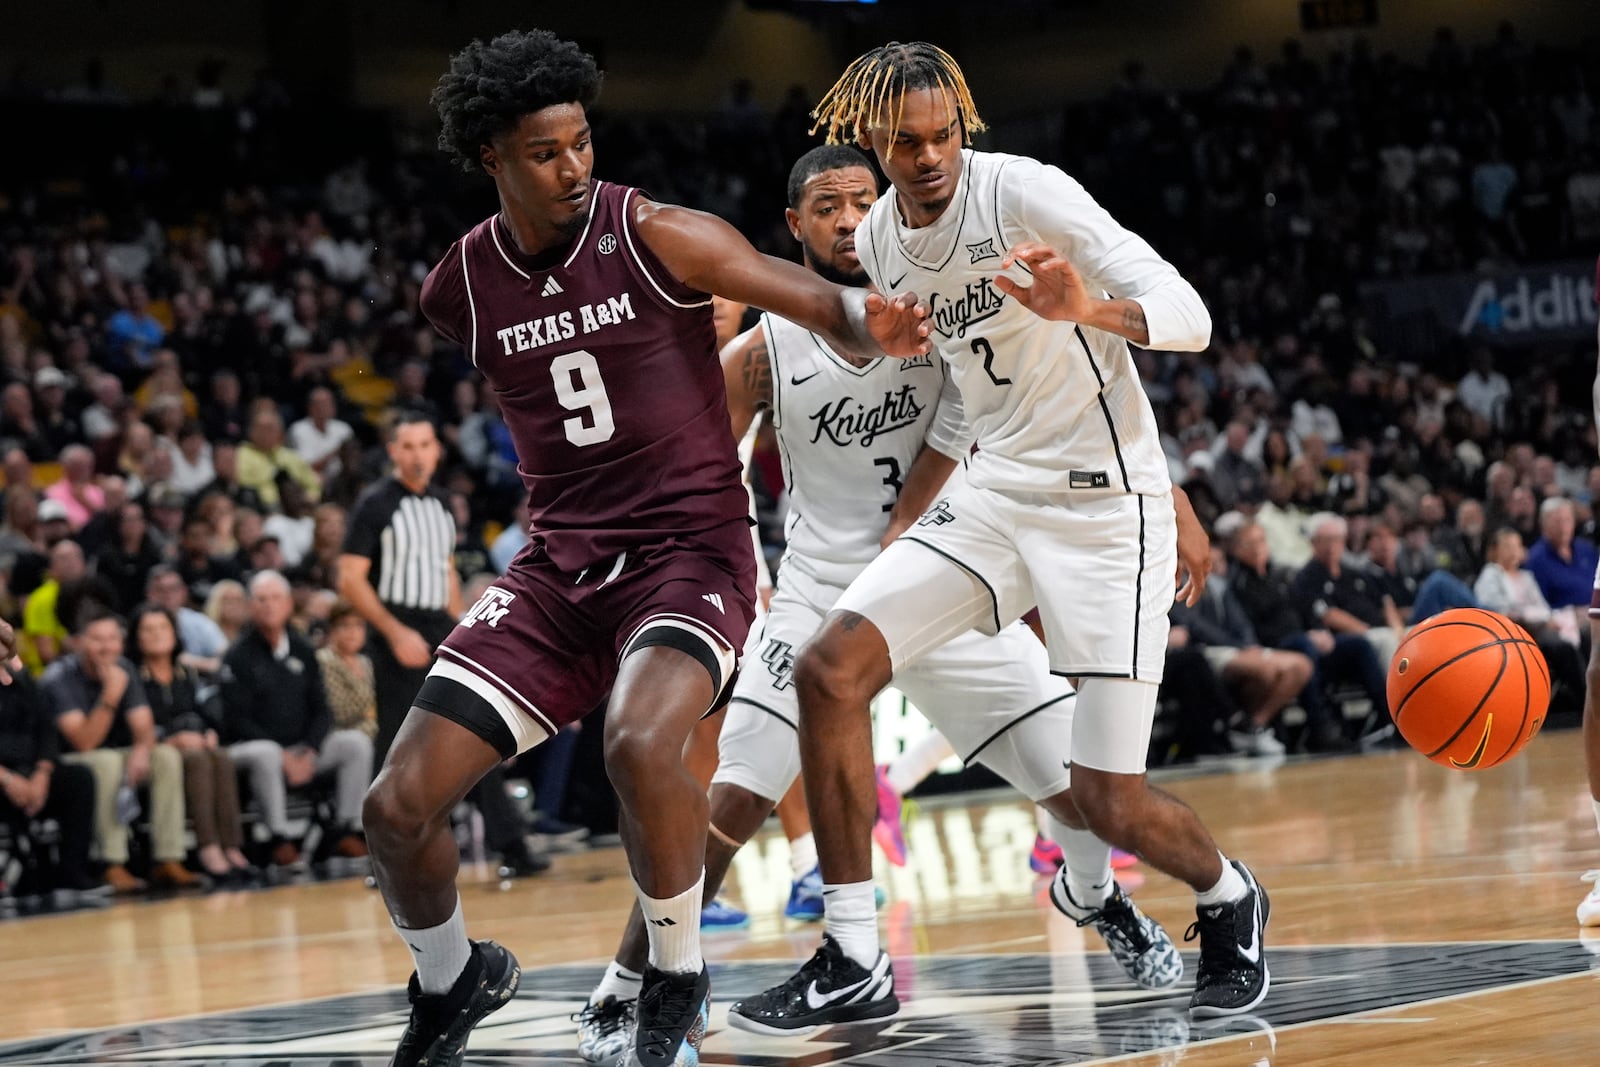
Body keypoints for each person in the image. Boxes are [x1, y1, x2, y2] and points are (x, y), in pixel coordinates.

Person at [362, 29, 929, 1067]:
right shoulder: (459, 288)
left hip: (689, 551)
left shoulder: (657, 232)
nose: (574, 166)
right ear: (492, 156)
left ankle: (672, 972)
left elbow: (804, 295)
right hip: (556, 567)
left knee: (637, 738)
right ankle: (451, 978)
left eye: (582, 142)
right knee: (394, 805)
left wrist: (870, 319)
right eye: (545, 152)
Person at [575, 145, 1183, 1062]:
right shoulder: (767, 344)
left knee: (1085, 792)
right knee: (724, 810)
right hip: (821, 595)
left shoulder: (948, 299)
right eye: (827, 205)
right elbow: (692, 467)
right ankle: (631, 990)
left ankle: (1102, 900)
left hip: (940, 580)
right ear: (796, 226)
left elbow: (1079, 394)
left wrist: (1174, 500)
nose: (849, 219)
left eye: (864, 200)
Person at [730, 43, 1268, 1033]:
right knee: (828, 666)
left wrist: (1088, 310)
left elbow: (1188, 313)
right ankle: (852, 952)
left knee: (1106, 802)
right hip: (993, 492)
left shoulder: (1027, 192)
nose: (927, 155)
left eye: (942, 136)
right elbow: (955, 387)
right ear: (874, 143)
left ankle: (1229, 893)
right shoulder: (886, 238)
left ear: (962, 129)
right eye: (905, 141)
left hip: (1106, 509)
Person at [337, 413, 548, 879]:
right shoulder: (374, 504)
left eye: (425, 444)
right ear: (393, 451)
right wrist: (394, 633)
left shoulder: (442, 504)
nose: (417, 454)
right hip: (396, 626)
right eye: (407, 445)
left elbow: (446, 572)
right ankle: (387, 858)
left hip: (440, 626)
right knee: (395, 746)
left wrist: (461, 630)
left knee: (474, 732)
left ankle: (510, 845)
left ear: (437, 450)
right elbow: (349, 579)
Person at [220, 571, 372, 869]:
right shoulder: (237, 656)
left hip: (304, 750)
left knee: (355, 743)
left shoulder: (303, 649)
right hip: (251, 749)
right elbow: (236, 720)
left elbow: (322, 710)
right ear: (252, 606)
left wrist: (311, 750)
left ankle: (345, 830)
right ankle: (279, 839)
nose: (269, 606)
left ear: (289, 604)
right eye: (262, 599)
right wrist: (283, 755)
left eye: (276, 598)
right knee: (264, 753)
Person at [44, 608, 201, 893]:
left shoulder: (124, 667)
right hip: (68, 763)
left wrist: (142, 750)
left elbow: (144, 727)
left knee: (164, 756)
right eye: (97, 639)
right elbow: (84, 742)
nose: (106, 647)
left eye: (112, 639)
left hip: (115, 754)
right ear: (78, 642)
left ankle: (169, 856)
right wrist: (110, 695)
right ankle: (112, 862)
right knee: (105, 762)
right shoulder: (59, 677)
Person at [129, 603, 253, 882]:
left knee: (219, 754)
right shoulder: (133, 676)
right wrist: (169, 739)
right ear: (137, 637)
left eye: (163, 628)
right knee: (197, 759)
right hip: (156, 752)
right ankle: (208, 847)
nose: (158, 634)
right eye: (148, 630)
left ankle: (231, 846)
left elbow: (204, 713)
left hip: (191, 745)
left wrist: (208, 732)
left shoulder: (187, 673)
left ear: (174, 634)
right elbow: (133, 726)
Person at [0, 671, 102, 902]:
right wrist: (6, 779)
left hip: (30, 773)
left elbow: (47, 730)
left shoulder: (22, 680)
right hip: (4, 777)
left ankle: (72, 873)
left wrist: (42, 775)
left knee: (79, 779)